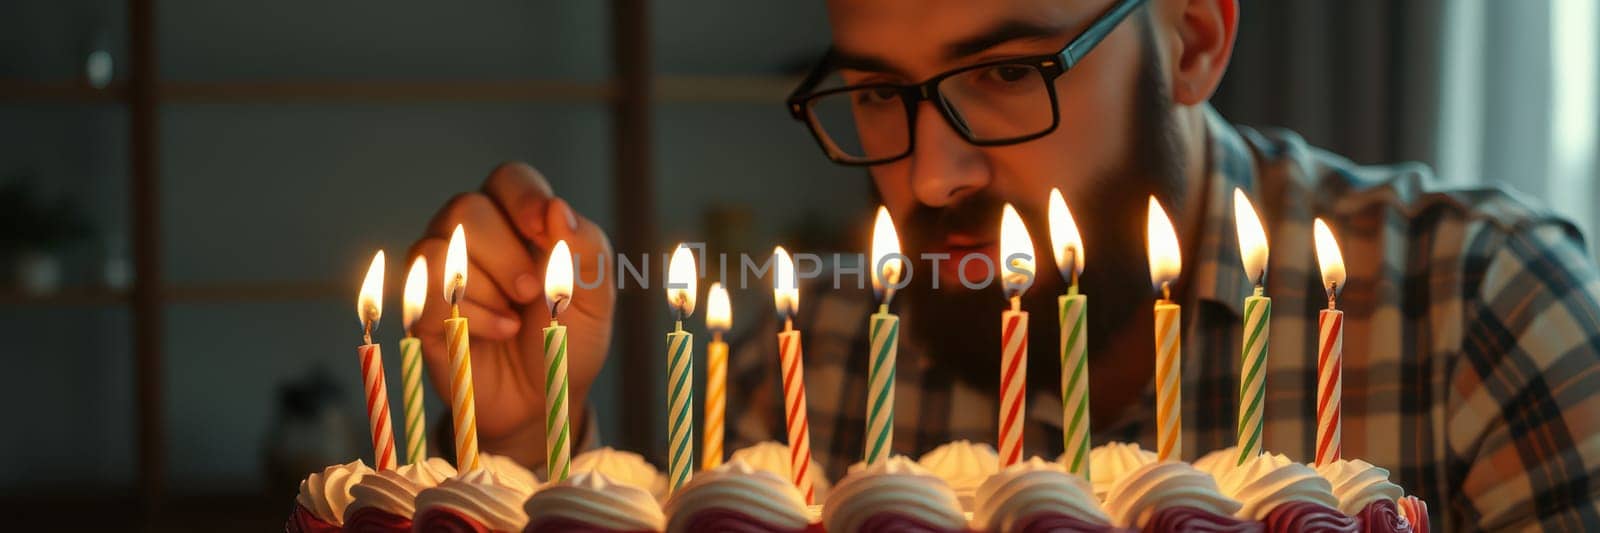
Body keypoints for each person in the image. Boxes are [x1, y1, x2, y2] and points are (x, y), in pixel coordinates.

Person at [408, 0, 1600, 529]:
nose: (931, 175)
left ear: (1190, 40)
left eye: (1006, 73)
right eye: (879, 94)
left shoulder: (1479, 313)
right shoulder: (821, 364)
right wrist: (520, 454)